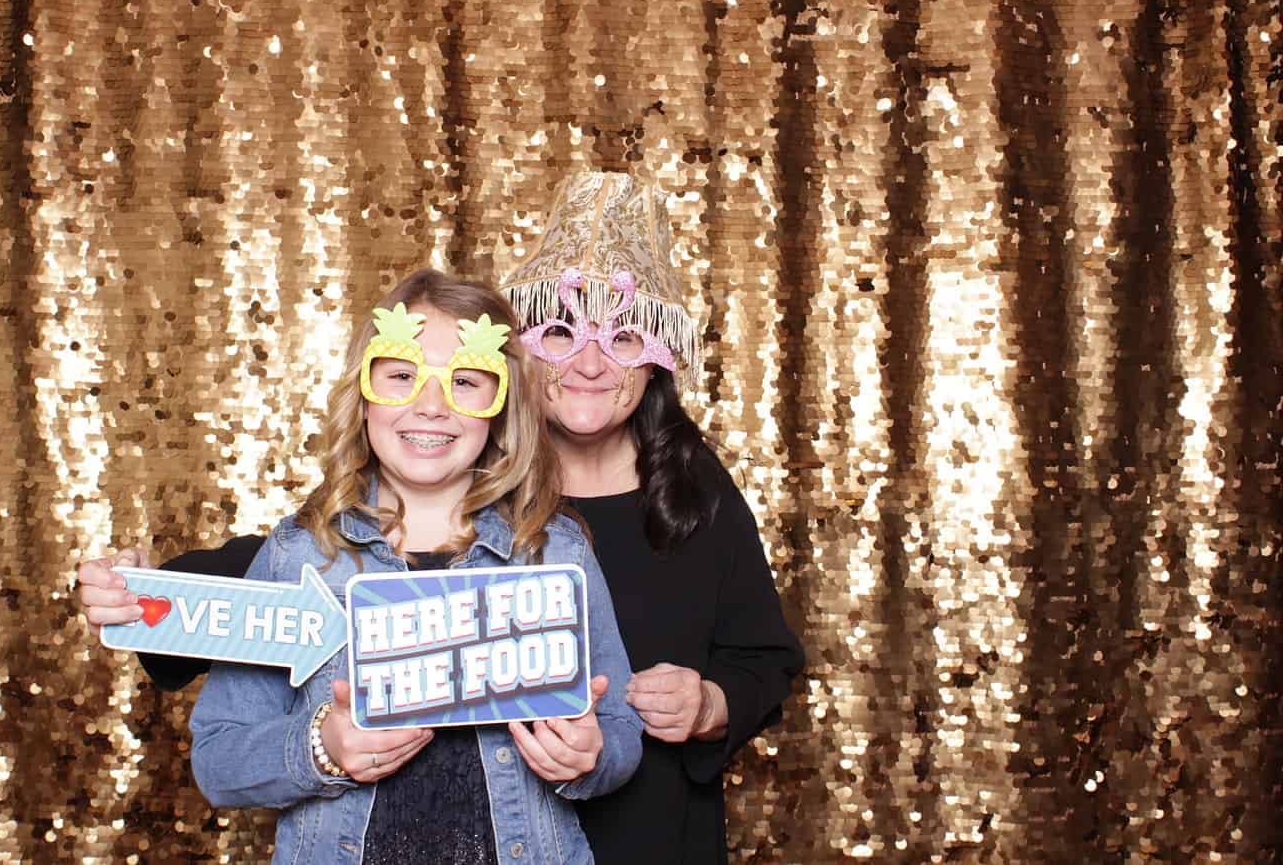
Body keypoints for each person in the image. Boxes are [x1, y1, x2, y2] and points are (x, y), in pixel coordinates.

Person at [81, 172, 803, 863]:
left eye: (620, 339)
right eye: (561, 333)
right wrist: (144, 593)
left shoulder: (581, 537)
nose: (590, 363)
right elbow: (265, 601)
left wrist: (684, 716)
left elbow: (681, 701)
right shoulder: (316, 548)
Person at [184, 269, 642, 864]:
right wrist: (321, 747)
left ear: (501, 407)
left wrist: (589, 757)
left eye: (465, 382)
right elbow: (217, 760)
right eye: (402, 376)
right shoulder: (300, 556)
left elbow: (620, 730)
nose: (431, 406)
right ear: (364, 395)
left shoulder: (554, 552)